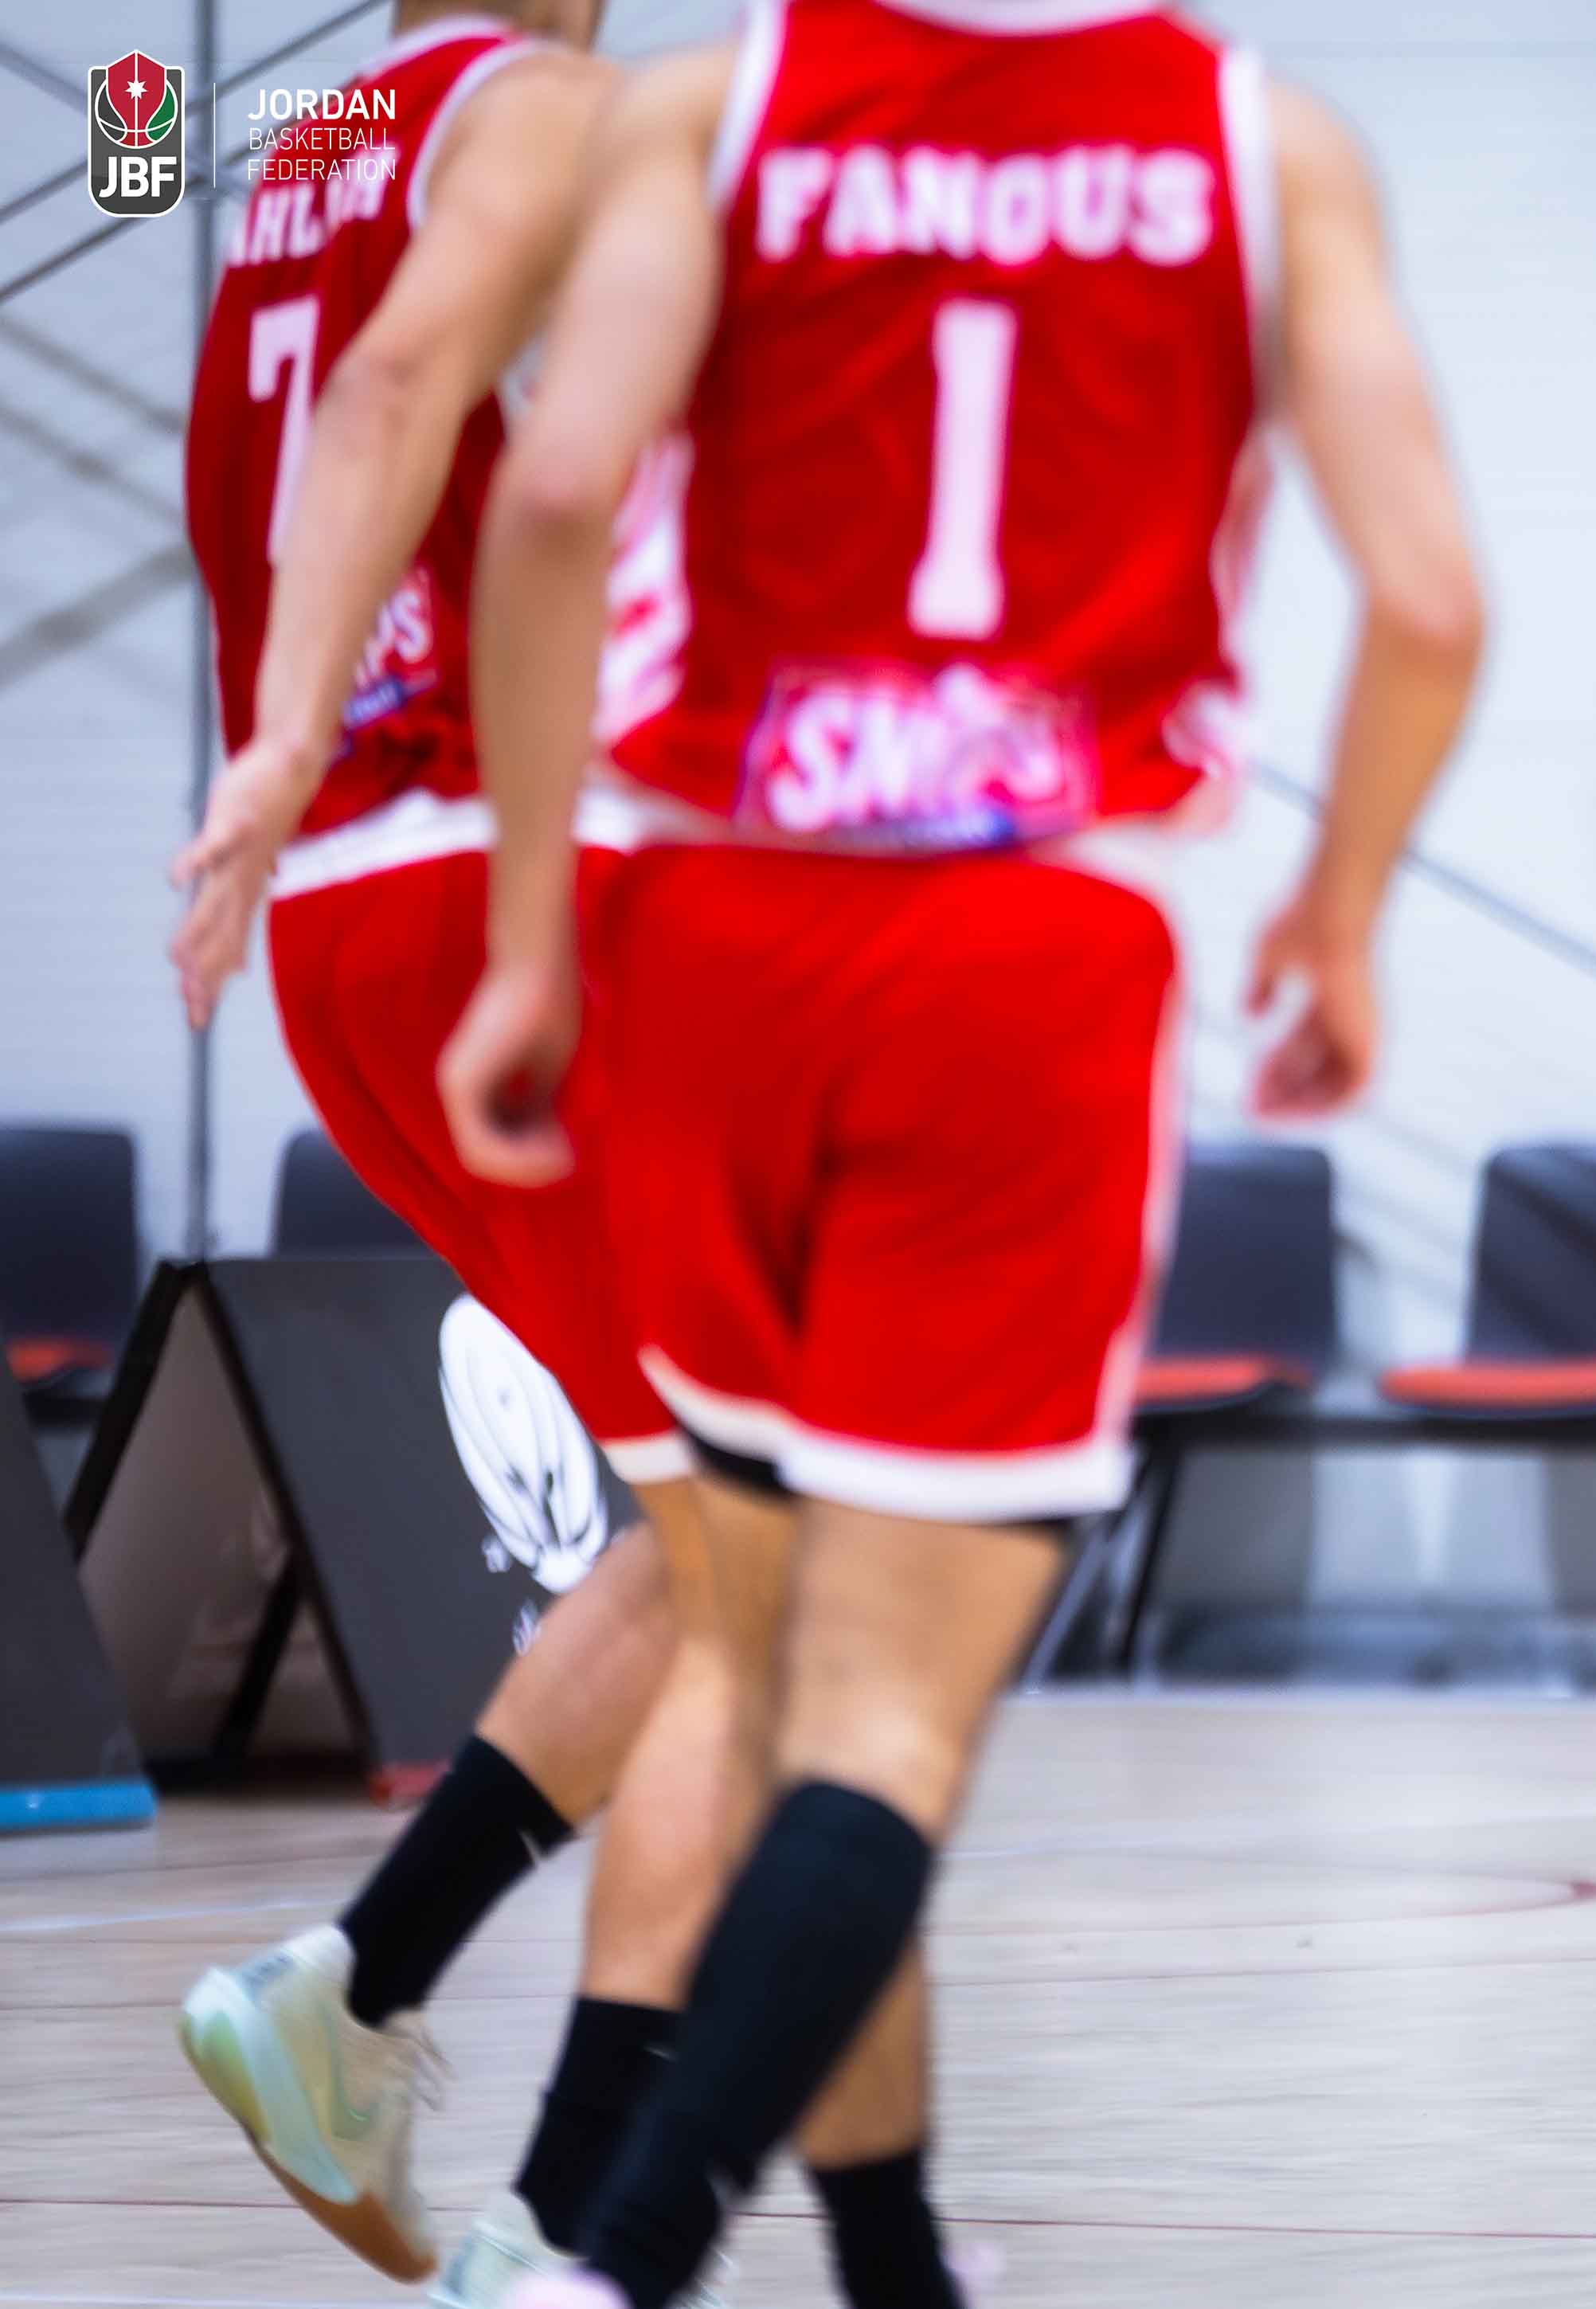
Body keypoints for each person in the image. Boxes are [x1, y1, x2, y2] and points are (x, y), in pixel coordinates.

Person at [435, 6, 1483, 2303]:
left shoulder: (694, 109)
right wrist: (1339, 917)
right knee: (882, 1726)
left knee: (778, 1680)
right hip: (1029, 949)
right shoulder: (1261, 148)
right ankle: (619, 2258)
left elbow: (545, 495)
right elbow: (1429, 603)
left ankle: (890, 2262)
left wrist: (523, 937)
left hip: (711, 929)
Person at [166, 12, 822, 2299]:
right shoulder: (523, 105)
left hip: (348, 935)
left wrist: (280, 762)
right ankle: (568, 2232)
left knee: (719, 1534)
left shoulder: (297, 137)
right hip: (485, 881)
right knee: (785, 1573)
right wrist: (282, 742)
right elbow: (394, 394)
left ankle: (352, 1997)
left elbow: (298, 382)